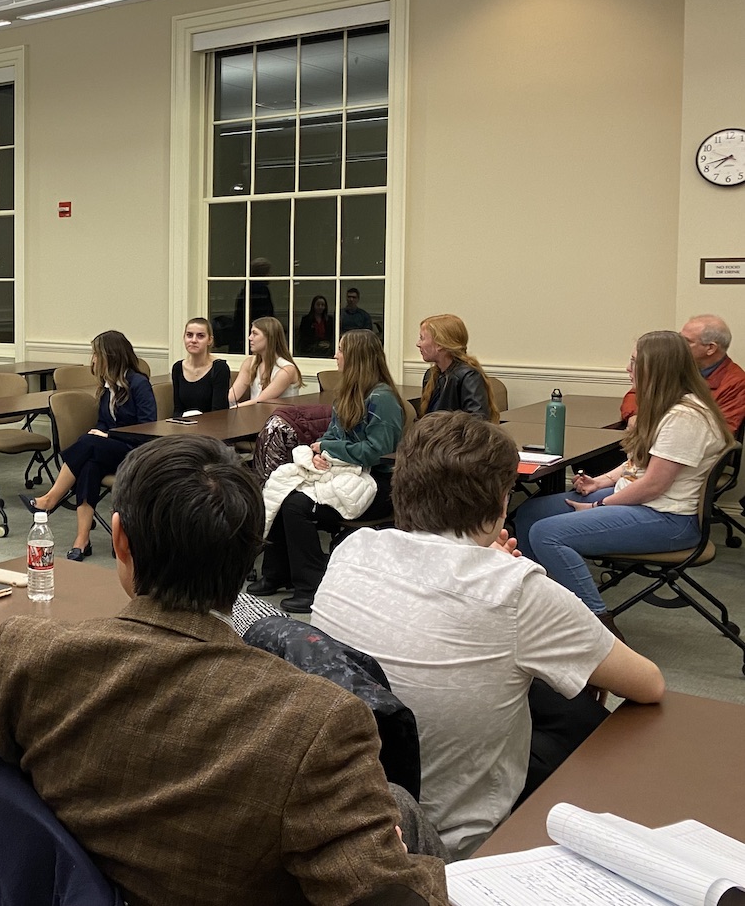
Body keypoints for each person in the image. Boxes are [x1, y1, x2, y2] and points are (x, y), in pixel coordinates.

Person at [0, 435, 450, 906]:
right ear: (249, 555)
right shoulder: (318, 723)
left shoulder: (29, 661)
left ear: (118, 541)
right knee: (401, 809)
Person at [312, 412, 666, 858]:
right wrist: (506, 570)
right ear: (501, 502)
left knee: (552, 697)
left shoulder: (353, 549)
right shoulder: (517, 590)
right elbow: (648, 684)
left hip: (359, 800)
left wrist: (486, 562)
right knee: (586, 716)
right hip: (457, 837)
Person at [515, 331, 730, 623]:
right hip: (647, 504)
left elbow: (654, 485)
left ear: (657, 368)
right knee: (530, 513)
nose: (628, 369)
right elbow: (638, 462)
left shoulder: (685, 418)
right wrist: (601, 482)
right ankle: (548, 605)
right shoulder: (667, 406)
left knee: (546, 533)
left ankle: (595, 621)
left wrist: (599, 506)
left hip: (670, 520)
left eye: (634, 362)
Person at [251, 329, 404, 613]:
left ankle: (312, 586)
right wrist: (319, 453)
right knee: (283, 492)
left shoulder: (382, 399)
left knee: (298, 506)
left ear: (356, 357)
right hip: (346, 473)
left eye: (341, 350)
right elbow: (332, 439)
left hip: (379, 483)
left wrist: (329, 449)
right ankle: (277, 573)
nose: (335, 356)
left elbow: (376, 451)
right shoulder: (346, 394)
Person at [21, 331, 156, 562]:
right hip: (110, 448)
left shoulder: (139, 383)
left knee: (88, 443)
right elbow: (103, 421)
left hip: (135, 450)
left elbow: (148, 428)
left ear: (110, 356)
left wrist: (107, 434)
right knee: (89, 466)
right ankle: (82, 539)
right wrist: (103, 433)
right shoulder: (107, 386)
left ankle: (51, 499)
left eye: (95, 353)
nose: (92, 359)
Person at [618, 314, 745, 434]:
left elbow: (722, 432)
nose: (680, 346)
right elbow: (636, 392)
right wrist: (634, 414)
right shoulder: (679, 366)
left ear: (710, 348)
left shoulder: (737, 383)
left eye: (687, 341)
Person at [416, 314, 498, 421]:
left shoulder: (469, 376)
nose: (418, 344)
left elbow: (477, 424)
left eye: (422, 338)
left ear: (440, 344)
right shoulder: (430, 375)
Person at [226, 316, 303, 407]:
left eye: (255, 334)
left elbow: (261, 401)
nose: (249, 338)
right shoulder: (250, 363)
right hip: (255, 416)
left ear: (269, 338)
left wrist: (233, 408)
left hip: (280, 419)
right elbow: (232, 395)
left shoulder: (287, 370)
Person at [169, 317, 230, 417]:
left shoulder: (219, 368)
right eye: (189, 335)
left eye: (200, 336)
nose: (193, 340)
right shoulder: (178, 368)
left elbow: (219, 414)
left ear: (210, 340)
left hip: (213, 428)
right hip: (184, 427)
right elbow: (177, 410)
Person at [296, 294, 334, 358]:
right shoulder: (306, 319)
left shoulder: (329, 320)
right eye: (318, 305)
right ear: (313, 306)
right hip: (310, 348)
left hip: (327, 348)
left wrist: (328, 344)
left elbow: (332, 335)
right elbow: (304, 336)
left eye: (322, 305)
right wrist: (317, 344)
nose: (320, 307)